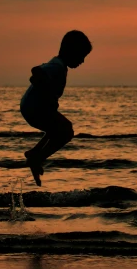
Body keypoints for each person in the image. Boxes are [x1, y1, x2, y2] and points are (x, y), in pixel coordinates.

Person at [20, 30, 92, 186]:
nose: (82, 61)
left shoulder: (58, 64)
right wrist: (42, 84)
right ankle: (37, 158)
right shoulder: (57, 66)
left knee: (56, 130)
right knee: (67, 130)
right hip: (35, 108)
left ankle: (35, 152)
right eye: (81, 56)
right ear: (71, 52)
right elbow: (36, 71)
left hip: (29, 107)